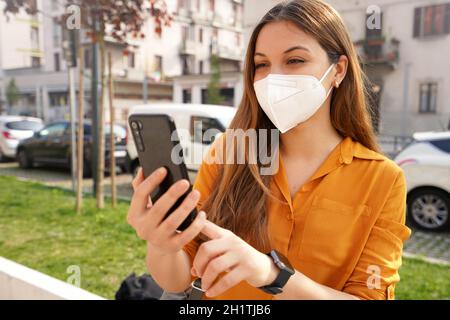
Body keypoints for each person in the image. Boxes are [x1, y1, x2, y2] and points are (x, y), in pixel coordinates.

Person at [127, 0, 411, 300]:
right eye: (261, 64)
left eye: (295, 60)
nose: (274, 78)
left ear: (339, 70)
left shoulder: (383, 179)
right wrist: (161, 244)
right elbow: (178, 280)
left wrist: (271, 274)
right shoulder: (229, 152)